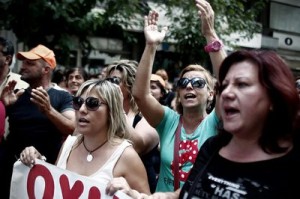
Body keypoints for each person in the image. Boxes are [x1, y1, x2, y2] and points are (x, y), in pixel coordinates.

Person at [132, 0, 226, 192]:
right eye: (183, 83)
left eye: (198, 83)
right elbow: (140, 95)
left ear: (210, 94)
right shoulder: (168, 121)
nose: (189, 86)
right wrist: (150, 46)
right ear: (179, 93)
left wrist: (210, 34)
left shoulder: (216, 121)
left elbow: (227, 80)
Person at [19, 79, 150, 196]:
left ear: (112, 110)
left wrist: (131, 193)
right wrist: (36, 162)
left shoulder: (126, 156)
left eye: (92, 103)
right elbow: (57, 189)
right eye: (77, 102)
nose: (82, 109)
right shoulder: (69, 144)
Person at [0, 44, 76, 198]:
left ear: (46, 69)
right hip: (11, 171)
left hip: (44, 174)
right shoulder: (16, 95)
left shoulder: (62, 96)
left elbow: (71, 128)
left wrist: (48, 110)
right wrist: (3, 106)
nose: (23, 66)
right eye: (23, 62)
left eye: (30, 63)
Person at [106, 60, 160, 193]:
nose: (109, 85)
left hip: (138, 188)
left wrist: (116, 109)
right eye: (107, 81)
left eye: (115, 81)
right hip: (109, 182)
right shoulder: (103, 112)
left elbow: (138, 146)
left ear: (130, 85)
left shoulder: (148, 115)